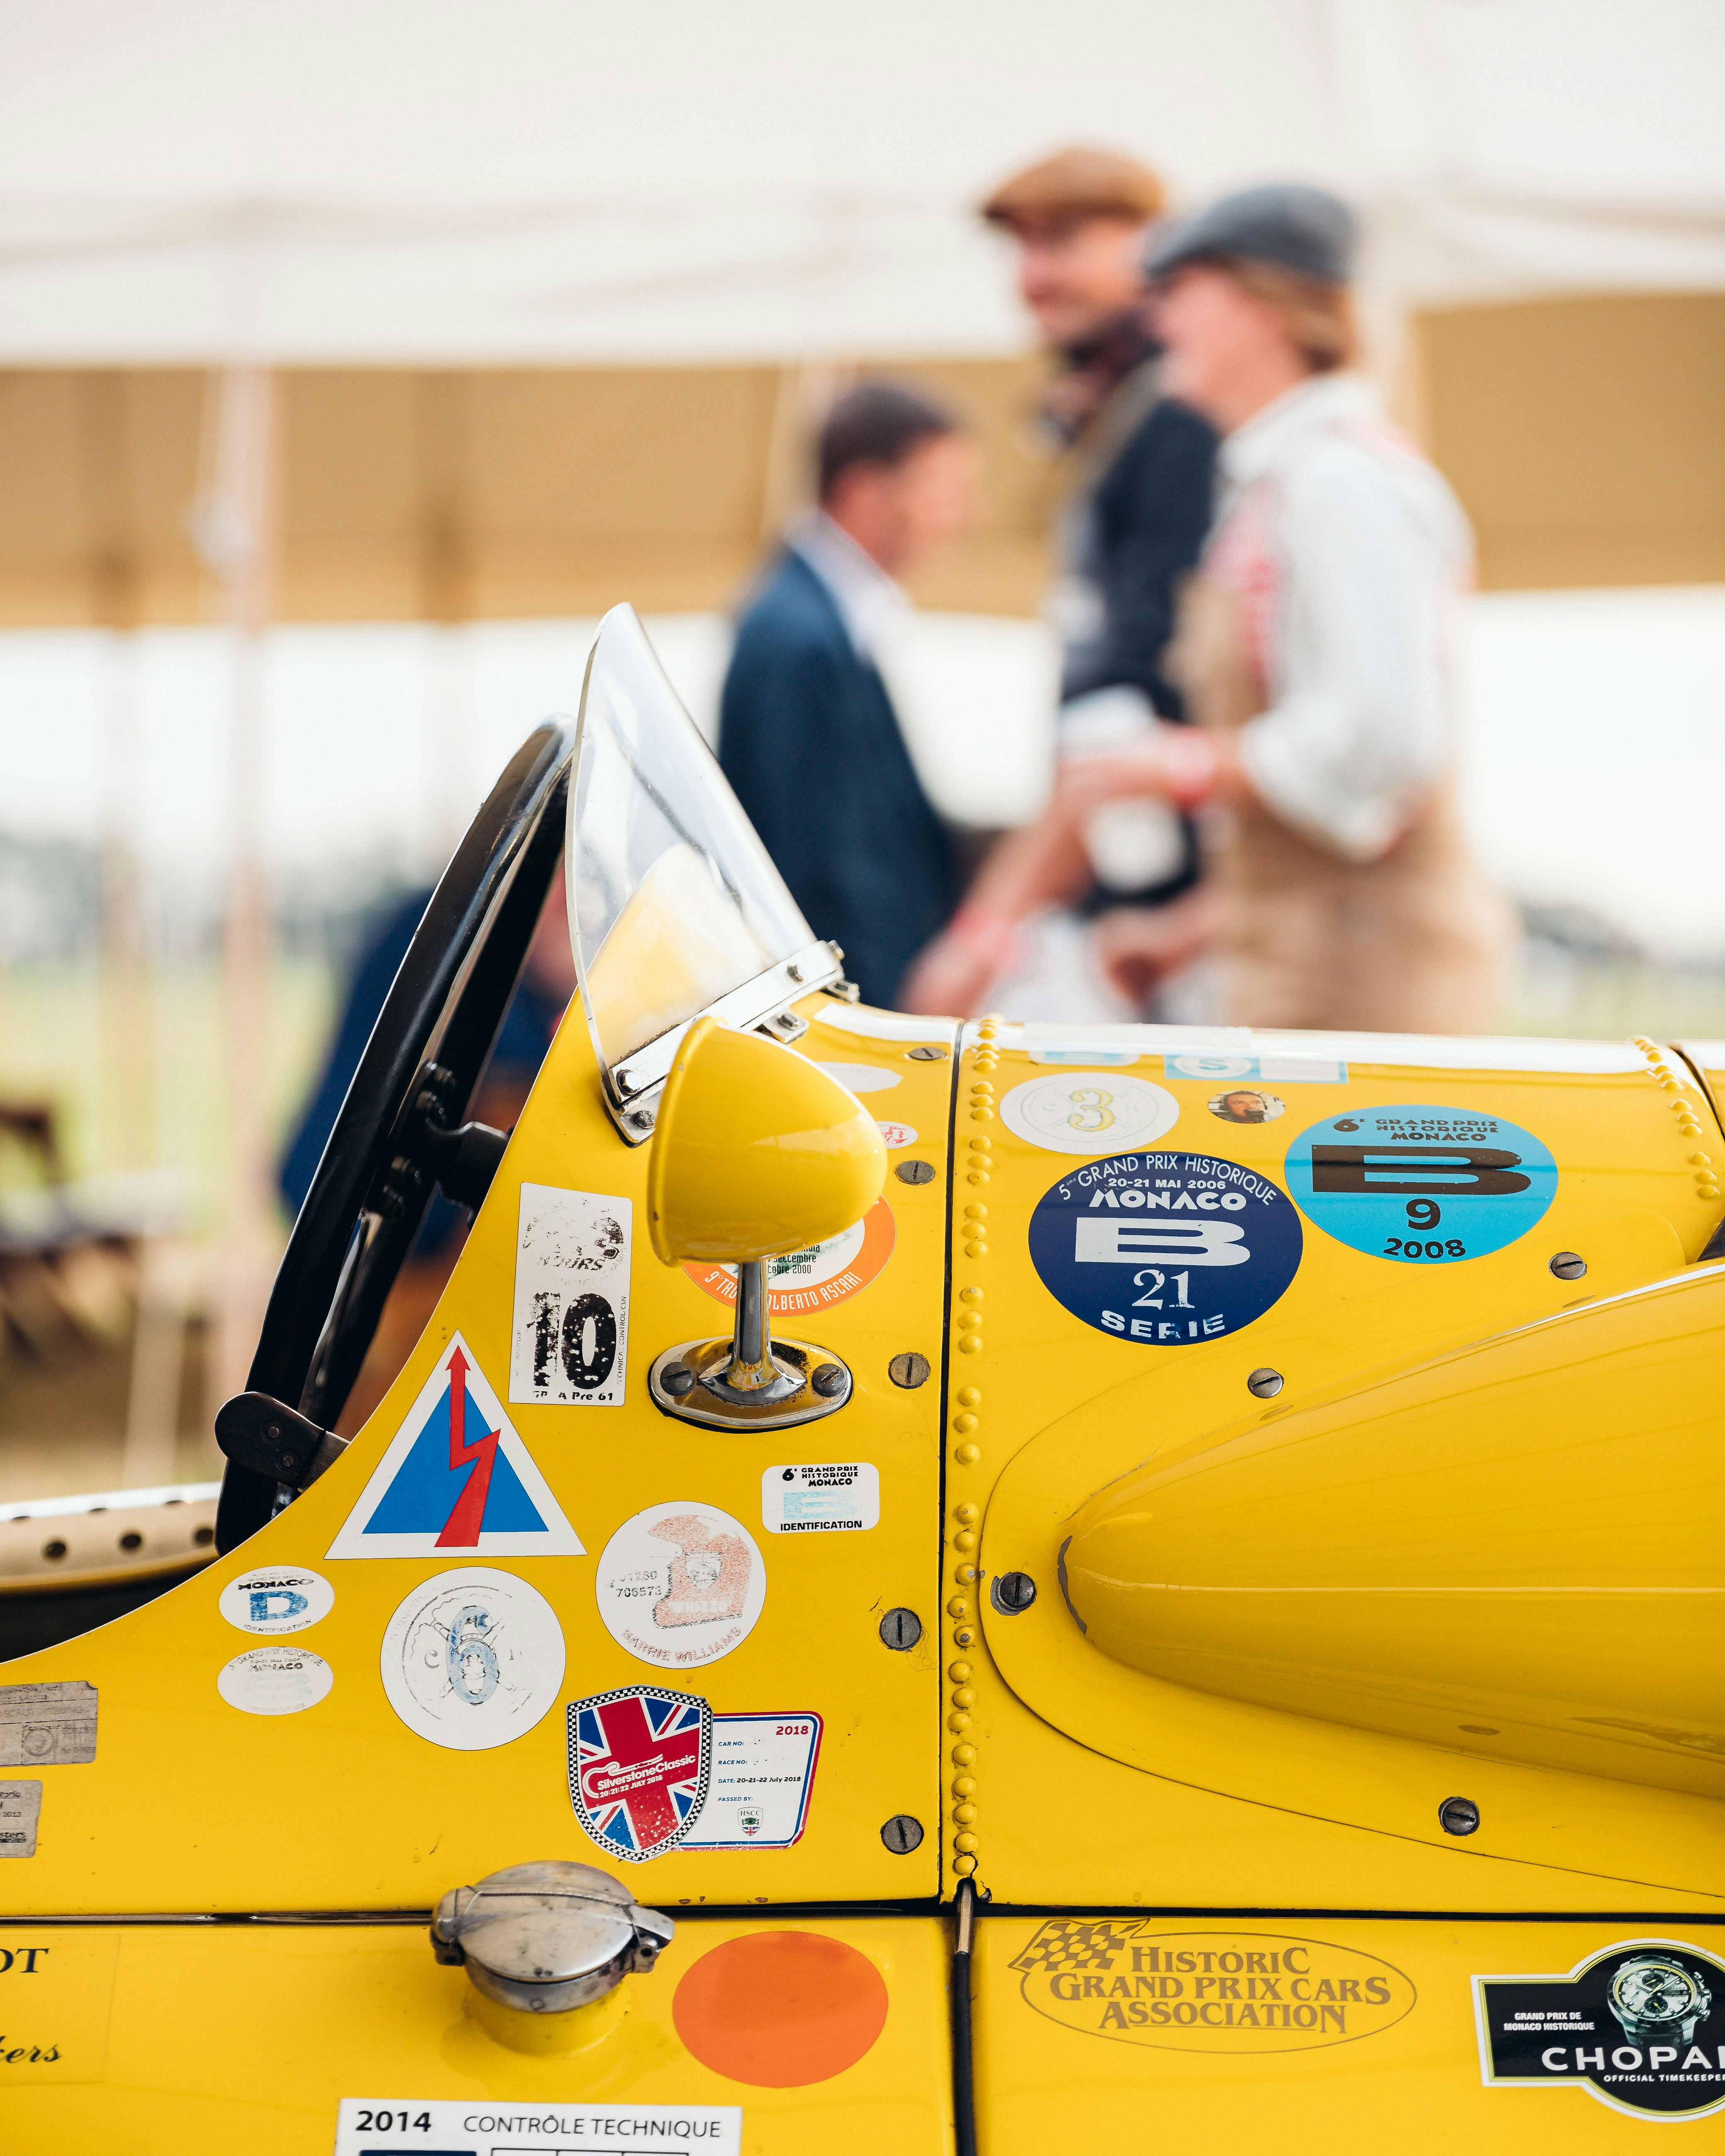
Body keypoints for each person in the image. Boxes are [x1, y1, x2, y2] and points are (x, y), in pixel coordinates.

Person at [908, 185, 1507, 1035]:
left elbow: (1383, 740)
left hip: (1364, 962)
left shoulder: (1339, 482)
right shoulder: (1277, 482)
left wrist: (1179, 767)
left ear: (1265, 305)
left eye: (1179, 292)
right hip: (1303, 952)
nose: (1159, 320)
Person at [899, 148, 1217, 1019]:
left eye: (1064, 242)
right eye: (1021, 250)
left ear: (1154, 244)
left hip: (1177, 929)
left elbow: (1131, 707)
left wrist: (984, 937)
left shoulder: (1177, 421)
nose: (1032, 277)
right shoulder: (1122, 418)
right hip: (1131, 911)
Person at [717, 382, 974, 1008]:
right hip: (851, 1008)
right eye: (942, 490)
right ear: (864, 490)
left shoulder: (818, 620)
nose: (962, 515)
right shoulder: (798, 637)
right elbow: (819, 865)